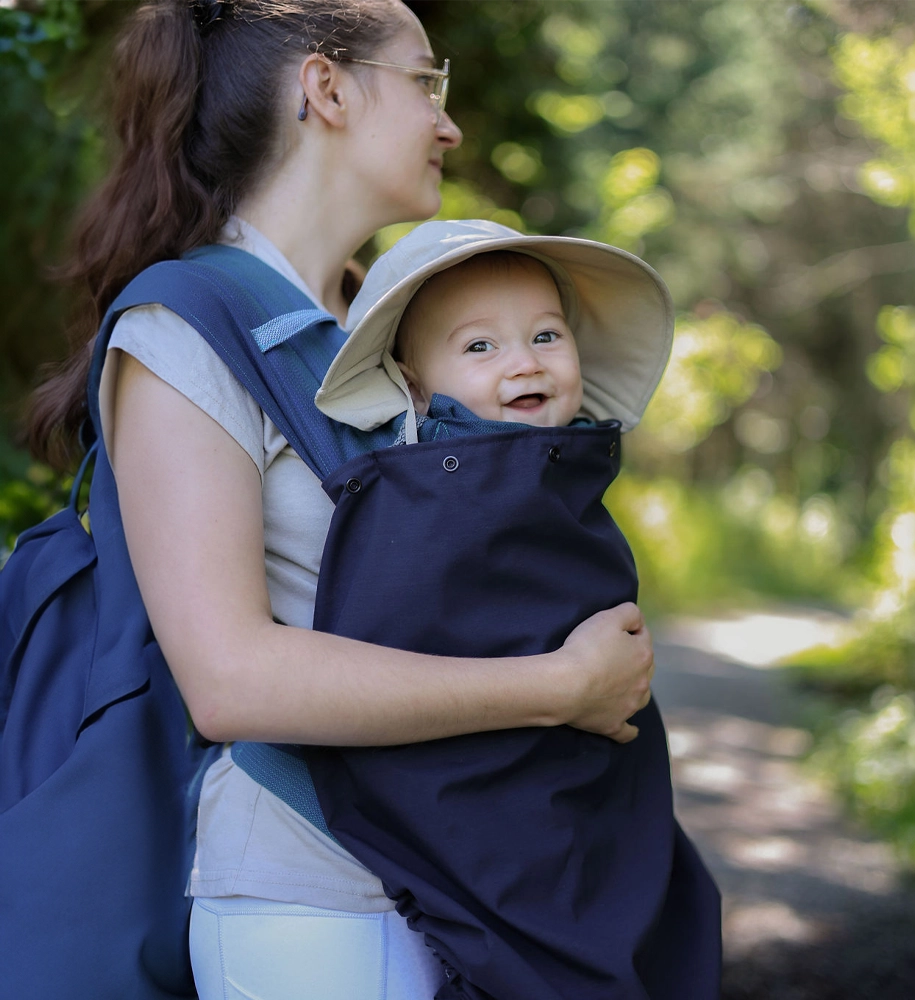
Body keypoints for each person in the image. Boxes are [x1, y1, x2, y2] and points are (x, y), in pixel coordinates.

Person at [25, 2, 663, 997]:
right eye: (423, 84)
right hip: (316, 895)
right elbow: (231, 677)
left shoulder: (393, 324)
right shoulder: (183, 327)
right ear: (325, 90)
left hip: (465, 876)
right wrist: (558, 687)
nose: (447, 125)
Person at [240, 217, 723, 999]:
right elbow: (401, 667)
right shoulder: (421, 501)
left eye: (545, 335)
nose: (524, 362)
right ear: (416, 384)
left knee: (666, 915)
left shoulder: (564, 477)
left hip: (596, 800)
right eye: (479, 347)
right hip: (488, 828)